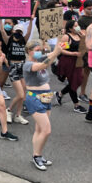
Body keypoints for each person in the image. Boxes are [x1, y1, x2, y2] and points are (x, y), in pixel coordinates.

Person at [24, 39, 64, 171]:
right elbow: (41, 66)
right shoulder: (28, 64)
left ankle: (37, 154)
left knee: (39, 130)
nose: (39, 52)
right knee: (47, 130)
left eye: (39, 50)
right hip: (34, 98)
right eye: (36, 50)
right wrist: (56, 52)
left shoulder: (40, 58)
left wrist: (57, 49)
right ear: (29, 52)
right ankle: (37, 156)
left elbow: (49, 58)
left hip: (46, 97)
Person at [0, 21, 33, 124]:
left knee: (24, 92)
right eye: (17, 31)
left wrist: (31, 21)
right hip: (13, 67)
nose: (18, 33)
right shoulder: (9, 40)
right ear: (13, 31)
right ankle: (8, 110)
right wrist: (0, 19)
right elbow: (2, 31)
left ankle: (18, 115)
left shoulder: (23, 40)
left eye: (20, 32)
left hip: (22, 66)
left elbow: (29, 31)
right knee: (21, 94)